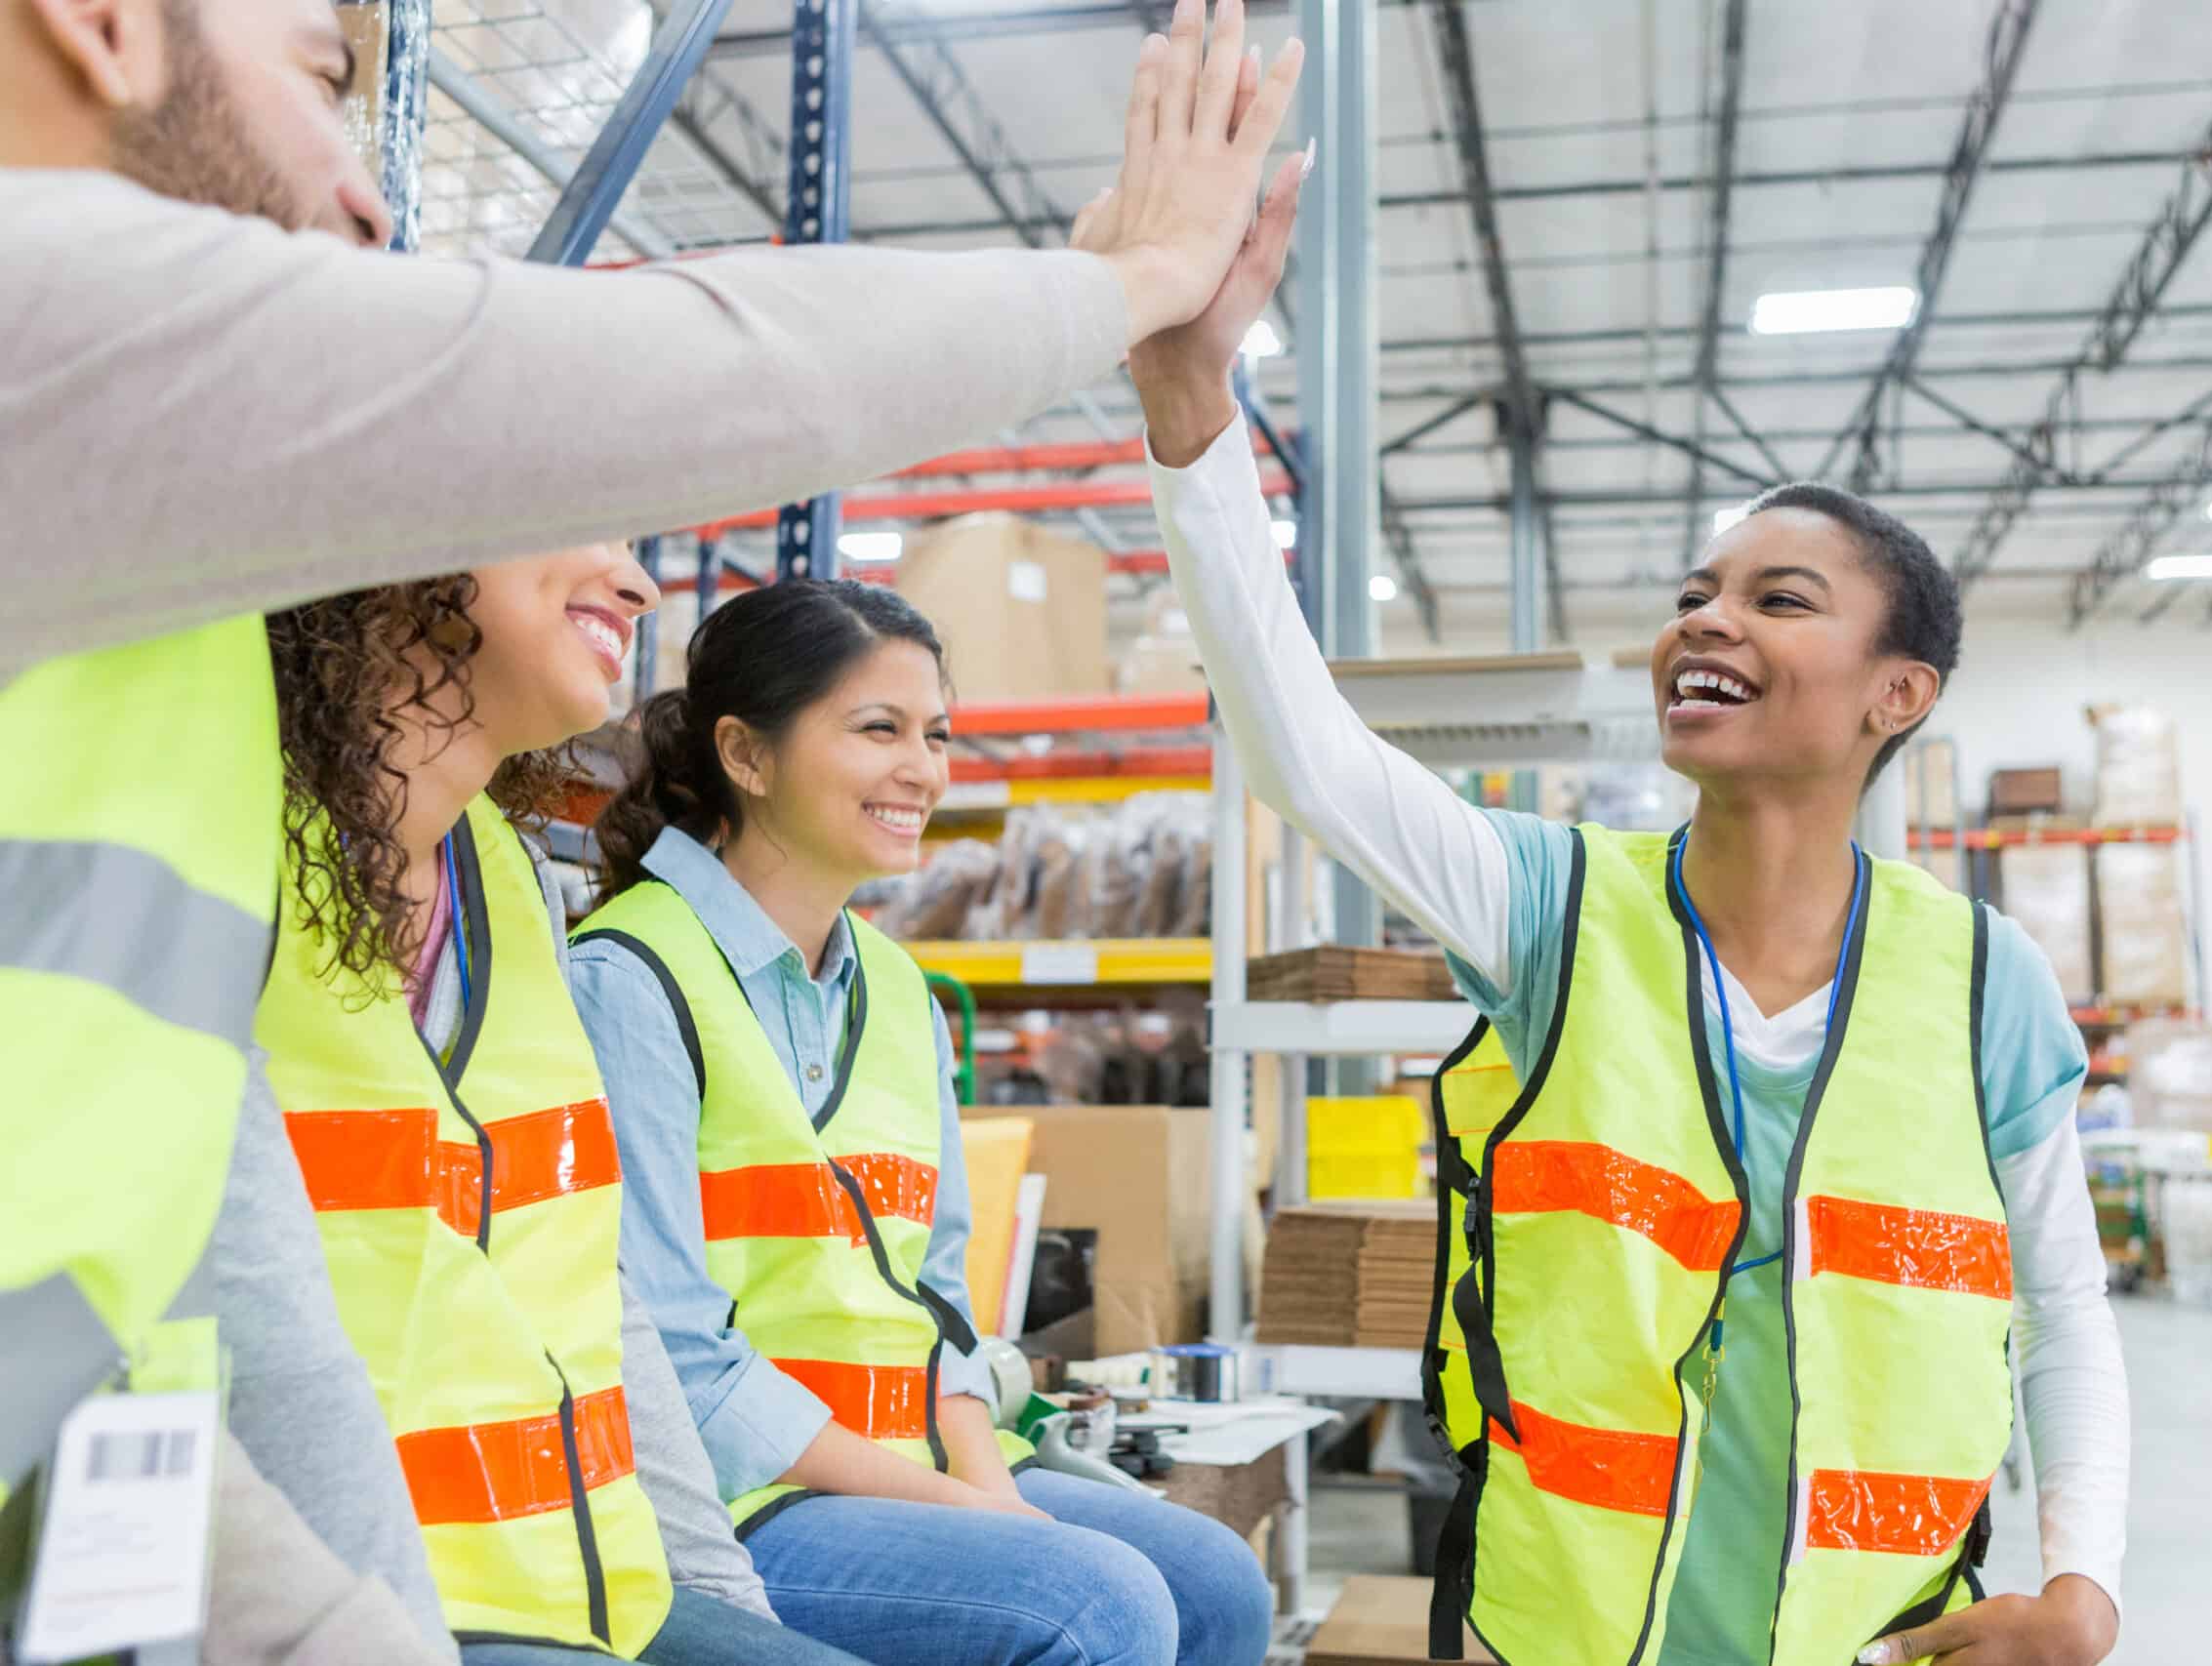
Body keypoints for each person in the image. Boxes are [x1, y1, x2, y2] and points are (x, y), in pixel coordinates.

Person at [0, 0, 1297, 1651]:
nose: (375, 199)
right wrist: (1123, 281)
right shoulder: (43, 334)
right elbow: (698, 366)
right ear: (99, 22)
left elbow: (193, 1298)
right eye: (327, 75)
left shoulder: (217, 713)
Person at [1105, 183, 2130, 1666]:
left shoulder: (1984, 981)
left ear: (1896, 692)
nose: (1705, 619)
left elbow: (2066, 1306)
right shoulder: (1552, 907)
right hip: (1556, 1631)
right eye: (1693, 593)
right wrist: (1193, 409)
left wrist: (2081, 1586)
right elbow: (1302, 752)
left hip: (1878, 1639)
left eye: (1778, 598)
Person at [566, 581, 1274, 1666]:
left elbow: (937, 1293)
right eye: (878, 729)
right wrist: (967, 1512)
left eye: (936, 734)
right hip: (738, 1496)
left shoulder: (897, 990)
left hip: (909, 1458)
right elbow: (671, 1355)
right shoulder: (629, 982)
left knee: (1217, 1582)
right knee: (1098, 1605)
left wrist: (984, 1480)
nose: (924, 770)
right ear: (746, 757)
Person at [254, 544, 873, 1666]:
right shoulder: (236, 861)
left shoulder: (509, 882)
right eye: (579, 519)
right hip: (336, 1606)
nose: (636, 585)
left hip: (580, 1590)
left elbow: (595, 1292)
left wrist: (718, 1597)